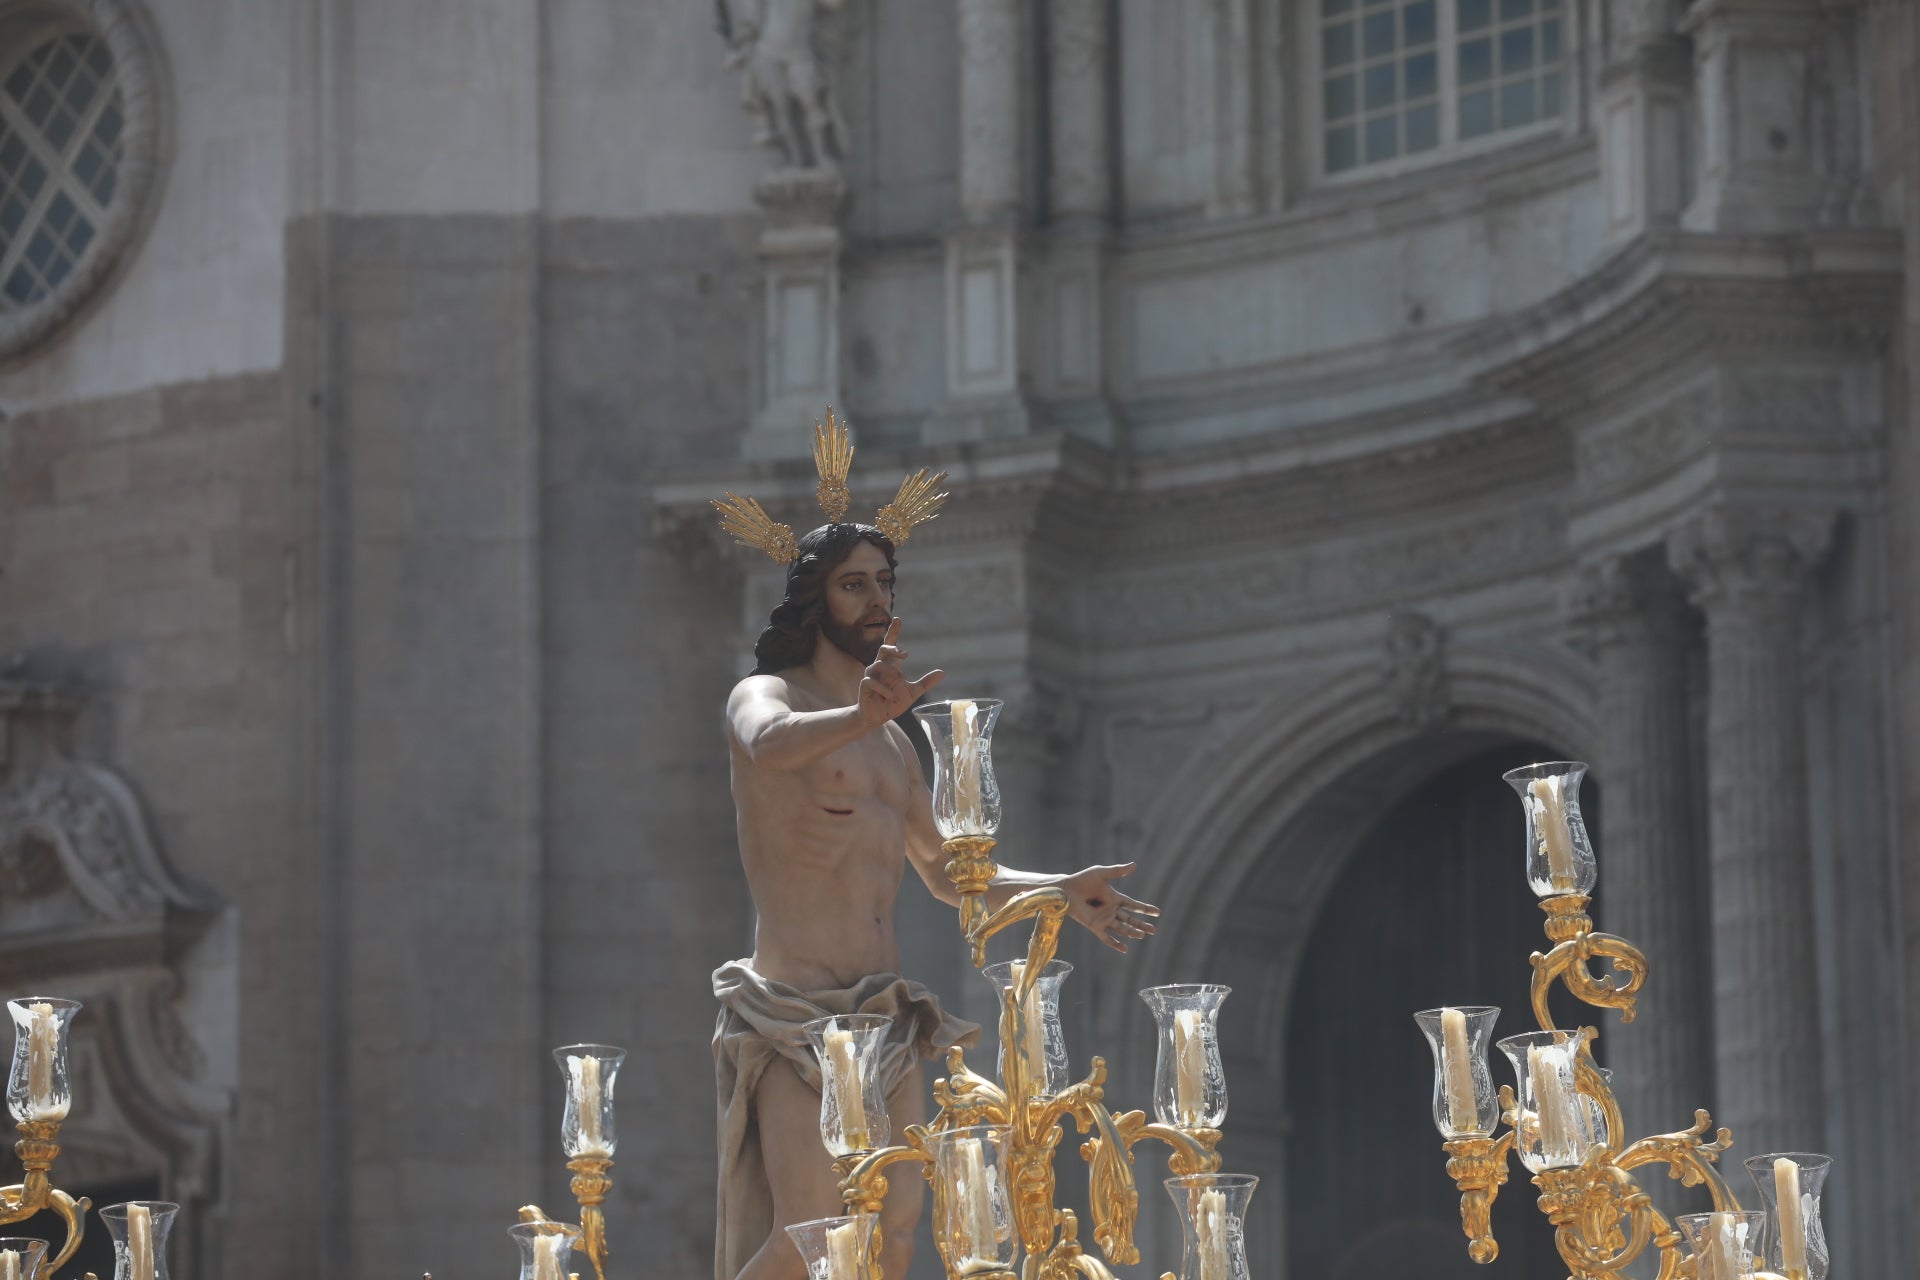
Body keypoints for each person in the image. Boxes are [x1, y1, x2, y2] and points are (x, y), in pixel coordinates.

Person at [711, 518, 1160, 1280]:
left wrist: (1056, 890)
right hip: (795, 1012)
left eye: (885, 583)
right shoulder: (766, 694)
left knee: (894, 1233)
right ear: (812, 601)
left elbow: (947, 871)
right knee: (813, 1231)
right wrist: (859, 715)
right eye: (855, 584)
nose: (877, 600)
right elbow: (767, 743)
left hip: (888, 1013)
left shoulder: (891, 743)